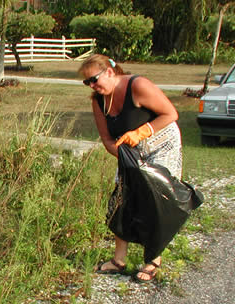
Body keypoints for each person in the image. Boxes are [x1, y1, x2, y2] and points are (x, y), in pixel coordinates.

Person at [78, 54, 183, 283]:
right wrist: (127, 159)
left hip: (161, 142)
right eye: (87, 83)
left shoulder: (138, 86)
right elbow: (107, 139)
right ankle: (119, 260)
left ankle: (153, 259)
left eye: (94, 79)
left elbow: (170, 114)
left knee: (155, 199)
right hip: (131, 152)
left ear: (109, 72)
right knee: (121, 200)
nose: (93, 86)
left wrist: (141, 133)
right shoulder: (99, 101)